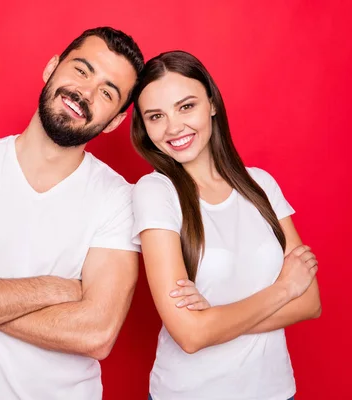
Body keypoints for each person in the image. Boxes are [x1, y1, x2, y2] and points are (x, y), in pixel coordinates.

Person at [0, 27, 144, 400]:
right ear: (51, 68)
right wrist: (55, 290)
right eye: (81, 70)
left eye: (108, 92)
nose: (86, 92)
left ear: (114, 121)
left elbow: (96, 334)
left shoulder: (118, 200)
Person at [130, 51, 321, 400]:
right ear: (144, 127)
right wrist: (283, 289)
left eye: (186, 106)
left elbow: (310, 301)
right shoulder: (155, 192)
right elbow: (190, 336)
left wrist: (214, 320)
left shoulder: (260, 184)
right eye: (156, 116)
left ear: (212, 103)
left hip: (276, 392)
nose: (173, 127)